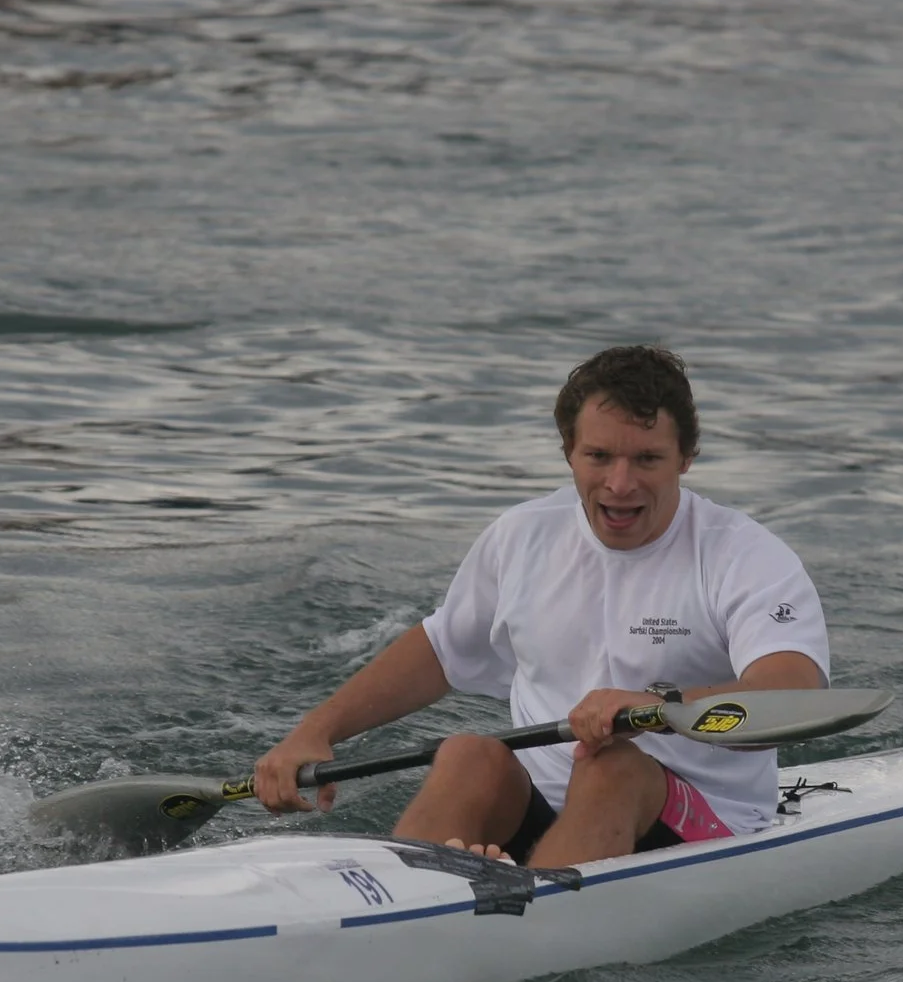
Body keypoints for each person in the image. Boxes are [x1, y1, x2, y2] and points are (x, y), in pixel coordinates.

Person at [251, 345, 830, 866]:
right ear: (569, 453)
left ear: (686, 457)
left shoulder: (742, 555)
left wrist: (657, 705)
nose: (620, 484)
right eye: (598, 456)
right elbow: (441, 650)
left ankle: (542, 926)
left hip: (702, 821)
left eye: (647, 460)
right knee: (469, 754)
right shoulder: (523, 535)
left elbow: (793, 695)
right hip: (549, 805)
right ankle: (397, 905)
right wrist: (317, 730)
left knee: (613, 766)